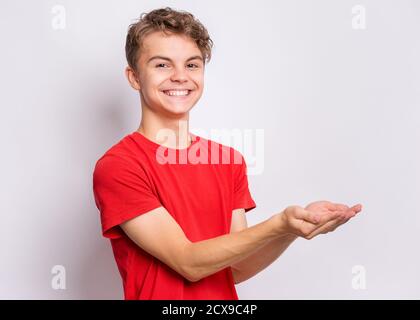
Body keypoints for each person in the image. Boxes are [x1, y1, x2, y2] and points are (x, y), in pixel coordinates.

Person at [92, 7, 363, 300]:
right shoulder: (119, 167)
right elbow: (188, 262)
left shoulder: (228, 161)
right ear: (134, 77)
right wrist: (278, 223)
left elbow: (234, 269)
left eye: (192, 65)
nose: (180, 76)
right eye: (162, 65)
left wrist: (291, 230)